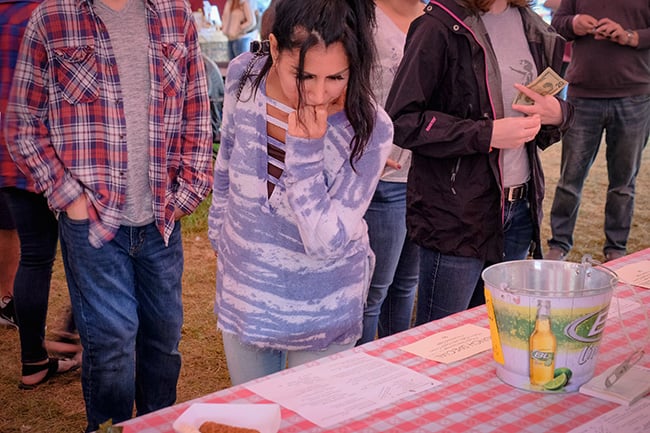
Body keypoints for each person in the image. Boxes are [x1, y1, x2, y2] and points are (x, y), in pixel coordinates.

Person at [5, 0, 213, 429]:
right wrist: (71, 198)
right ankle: (109, 428)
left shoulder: (175, 14)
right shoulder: (52, 18)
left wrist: (188, 191)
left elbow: (196, 110)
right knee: (112, 345)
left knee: (163, 341)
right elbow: (22, 124)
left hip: (162, 221)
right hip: (93, 228)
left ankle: (156, 425)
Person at [208, 0, 393, 385]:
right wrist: (221, 237)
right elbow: (227, 158)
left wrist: (306, 154)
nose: (317, 94)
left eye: (336, 77)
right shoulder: (245, 74)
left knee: (313, 413)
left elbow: (326, 242)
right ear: (275, 49)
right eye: (304, 76)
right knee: (254, 410)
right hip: (246, 292)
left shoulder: (371, 128)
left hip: (324, 305)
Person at [385, 0, 574, 324]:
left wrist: (558, 114)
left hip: (519, 210)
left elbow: (543, 123)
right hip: (457, 215)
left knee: (496, 332)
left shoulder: (533, 25)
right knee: (444, 337)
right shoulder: (438, 25)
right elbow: (402, 120)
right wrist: (486, 134)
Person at [1, 0, 82, 388]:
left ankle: (34, 360)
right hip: (52, 152)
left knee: (34, 255)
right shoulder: (52, 15)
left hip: (6, 155)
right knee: (86, 249)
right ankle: (75, 335)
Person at [546, 0, 650, 262]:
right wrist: (574, 23)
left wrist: (629, 36)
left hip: (634, 95)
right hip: (583, 95)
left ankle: (616, 249)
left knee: (623, 183)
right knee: (570, 179)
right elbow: (556, 24)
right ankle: (558, 244)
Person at [357, 0, 423, 345]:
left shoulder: (436, 16)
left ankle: (395, 361)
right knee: (372, 291)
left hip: (426, 175)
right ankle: (360, 367)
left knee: (407, 284)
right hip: (382, 178)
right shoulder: (362, 15)